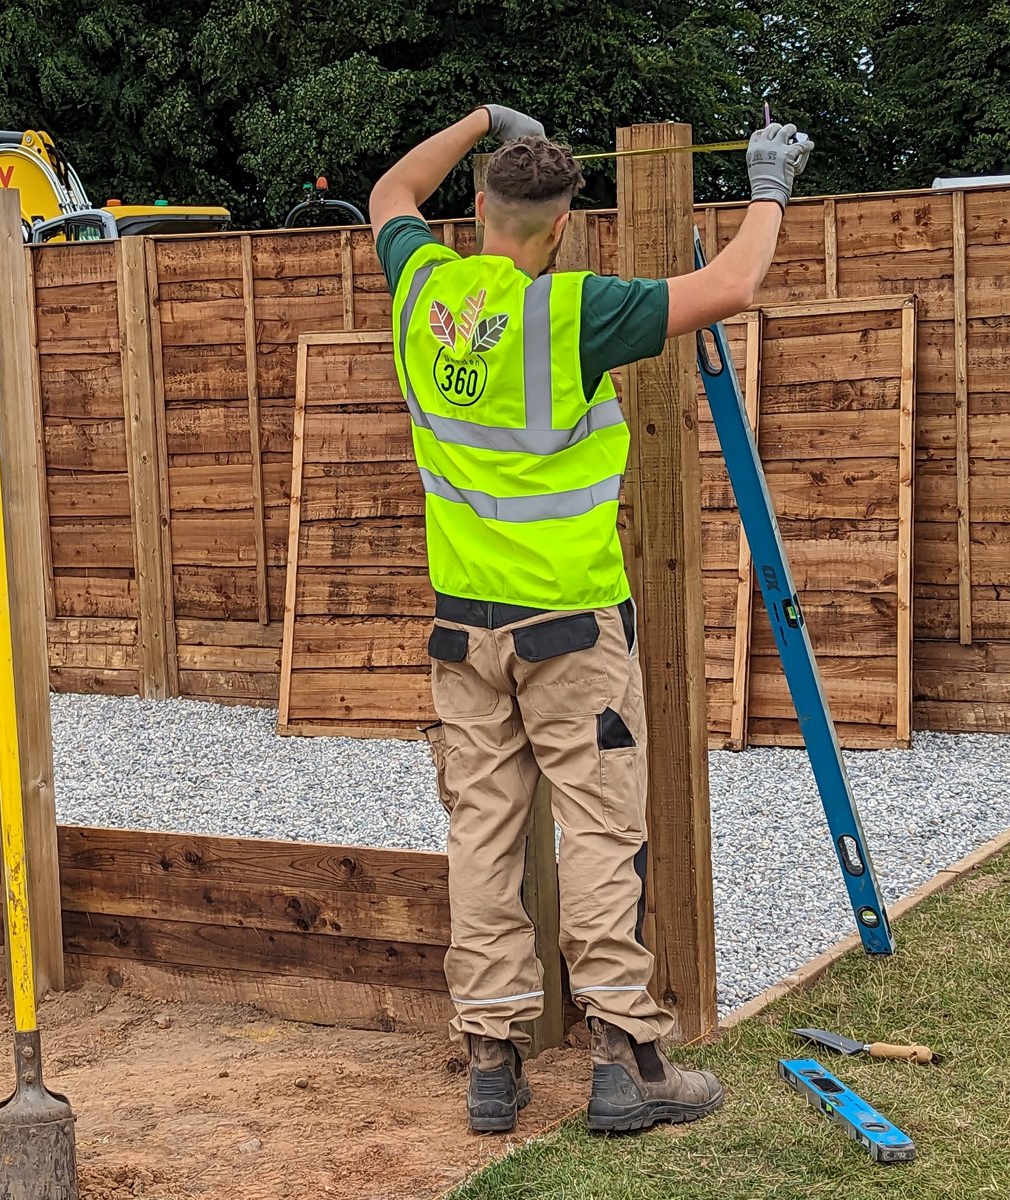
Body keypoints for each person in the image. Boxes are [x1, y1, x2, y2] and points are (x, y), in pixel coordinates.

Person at [370, 104, 811, 1135]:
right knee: (601, 829)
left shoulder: (424, 286)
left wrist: (479, 116)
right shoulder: (571, 311)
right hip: (569, 629)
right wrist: (770, 185)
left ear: (475, 210)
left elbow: (393, 192)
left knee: (483, 835)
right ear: (563, 226)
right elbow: (734, 285)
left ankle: (491, 1061)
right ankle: (628, 1059)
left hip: (463, 631)